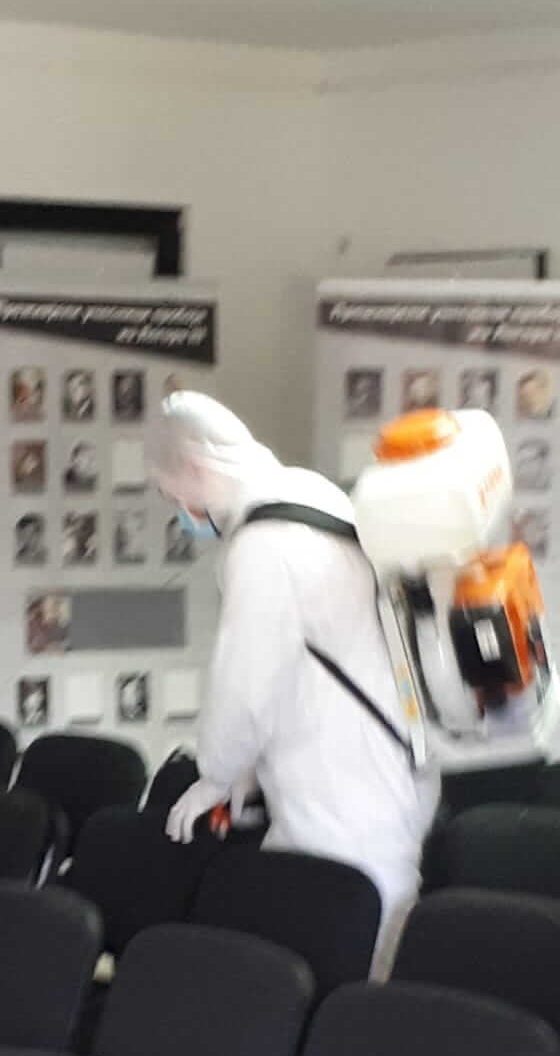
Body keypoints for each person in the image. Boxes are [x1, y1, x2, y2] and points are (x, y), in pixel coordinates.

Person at [149, 392, 438, 975]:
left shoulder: (263, 547)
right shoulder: (317, 499)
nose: (180, 511)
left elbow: (245, 686)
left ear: (196, 468)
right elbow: (304, 667)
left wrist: (216, 775)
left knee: (338, 988)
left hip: (341, 815)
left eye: (172, 494)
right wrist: (246, 773)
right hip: (384, 786)